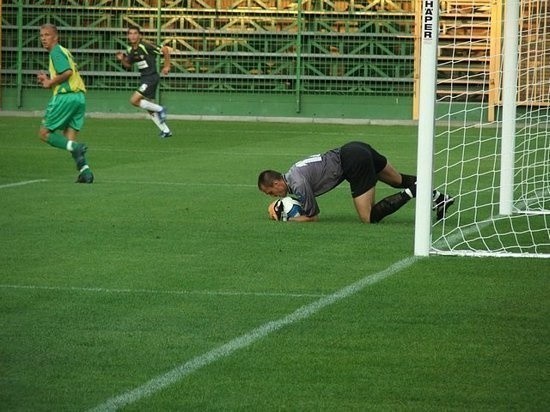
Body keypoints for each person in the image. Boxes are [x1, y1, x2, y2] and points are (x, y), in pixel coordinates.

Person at [258, 141, 454, 223]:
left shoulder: (298, 183)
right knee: (397, 180)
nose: (272, 196)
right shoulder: (294, 172)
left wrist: (287, 219)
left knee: (368, 217)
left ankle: (415, 190)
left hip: (352, 162)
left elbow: (312, 217)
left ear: (276, 183)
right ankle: (440, 198)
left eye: (270, 192)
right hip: (355, 147)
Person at [37, 23, 94, 183]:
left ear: (56, 37)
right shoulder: (64, 51)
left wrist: (50, 82)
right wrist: (49, 81)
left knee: (44, 133)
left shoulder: (56, 51)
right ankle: (85, 172)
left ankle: (76, 148)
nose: (43, 39)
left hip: (66, 98)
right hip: (79, 98)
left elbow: (67, 73)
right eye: (41, 36)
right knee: (69, 138)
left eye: (47, 35)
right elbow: (67, 74)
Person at [115, 25, 172, 138]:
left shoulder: (145, 45)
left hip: (151, 78)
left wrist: (167, 66)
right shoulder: (130, 49)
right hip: (144, 78)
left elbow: (165, 49)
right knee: (150, 108)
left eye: (135, 33)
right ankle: (166, 131)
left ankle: (161, 109)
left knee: (134, 100)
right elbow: (128, 65)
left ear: (140, 35)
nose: (133, 36)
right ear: (128, 36)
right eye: (130, 33)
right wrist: (122, 60)